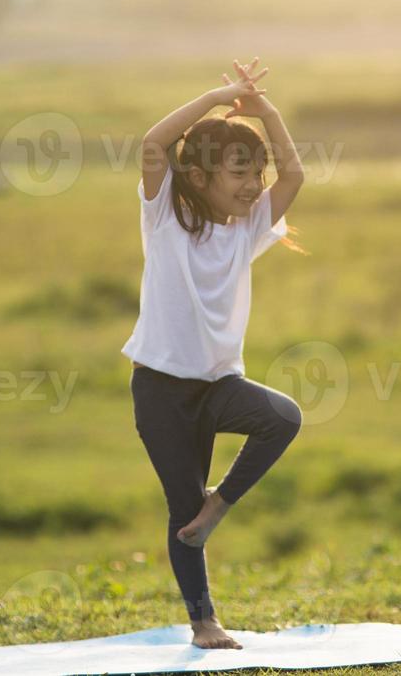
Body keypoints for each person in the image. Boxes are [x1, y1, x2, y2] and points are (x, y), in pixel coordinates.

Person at [122, 57, 306, 650]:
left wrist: (267, 112)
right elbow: (154, 143)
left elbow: (296, 176)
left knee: (282, 418)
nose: (254, 185)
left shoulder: (246, 229)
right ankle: (203, 622)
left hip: (219, 385)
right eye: (239, 174)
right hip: (161, 390)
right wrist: (216, 96)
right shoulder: (166, 218)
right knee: (182, 508)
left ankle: (218, 504)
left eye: (256, 172)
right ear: (200, 177)